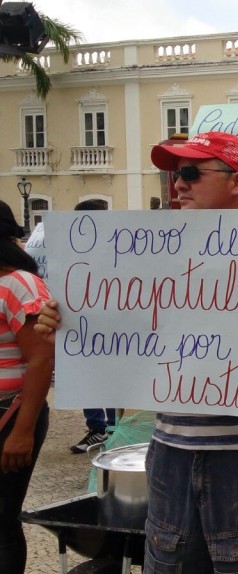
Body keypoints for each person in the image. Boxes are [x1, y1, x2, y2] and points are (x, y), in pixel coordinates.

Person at [36, 131, 238, 573]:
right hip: (170, 449)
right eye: (174, 175)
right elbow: (119, 333)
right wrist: (66, 327)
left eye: (191, 173)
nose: (178, 184)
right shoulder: (150, 255)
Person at [0, 200, 54, 574]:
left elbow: (41, 358)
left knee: (2, 520)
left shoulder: (20, 284)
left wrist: (22, 431)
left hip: (11, 414)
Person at [67, 198, 118, 454]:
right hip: (85, 324)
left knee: (109, 376)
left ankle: (111, 428)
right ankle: (100, 427)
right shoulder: (74, 251)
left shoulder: (115, 249)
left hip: (109, 325)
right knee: (88, 375)